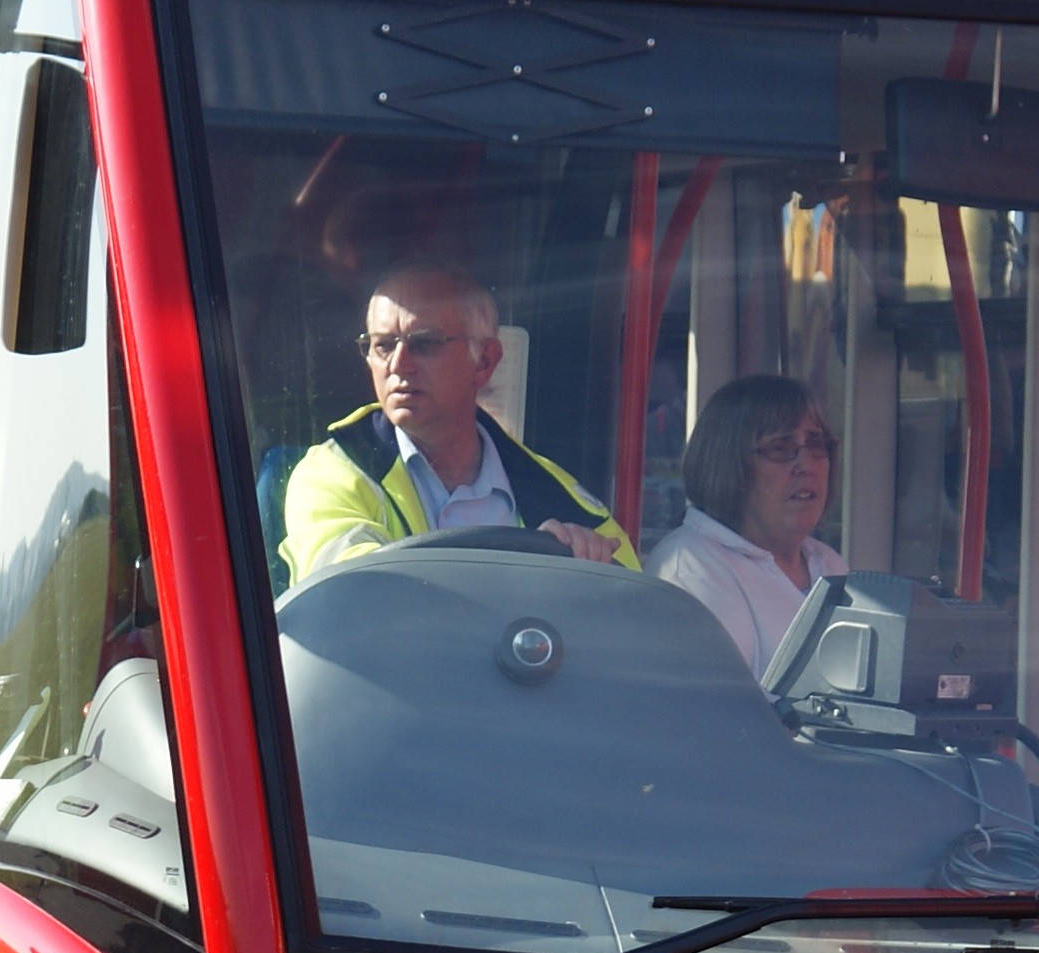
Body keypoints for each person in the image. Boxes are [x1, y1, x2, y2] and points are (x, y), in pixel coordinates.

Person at [277, 265, 634, 585]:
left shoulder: (563, 499)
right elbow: (346, 593)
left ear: (485, 361)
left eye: (425, 343)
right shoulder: (333, 474)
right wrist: (535, 574)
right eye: (383, 345)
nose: (399, 364)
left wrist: (590, 563)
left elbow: (640, 609)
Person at [649, 374, 845, 671]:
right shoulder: (691, 567)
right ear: (728, 464)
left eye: (816, 443)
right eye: (780, 447)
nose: (807, 465)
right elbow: (723, 710)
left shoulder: (828, 562)